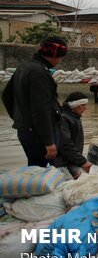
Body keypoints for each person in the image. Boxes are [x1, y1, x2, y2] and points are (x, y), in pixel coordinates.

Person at [2, 36, 68, 166]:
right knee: (42, 172)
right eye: (61, 57)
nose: (60, 61)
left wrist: (20, 119)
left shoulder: (24, 66)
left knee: (34, 168)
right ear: (54, 55)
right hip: (39, 135)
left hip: (26, 131)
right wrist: (48, 142)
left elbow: (6, 96)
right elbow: (41, 109)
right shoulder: (39, 73)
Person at [54, 92, 92, 178]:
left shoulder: (74, 117)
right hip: (62, 162)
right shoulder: (64, 119)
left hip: (72, 161)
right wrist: (82, 161)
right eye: (83, 105)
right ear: (74, 106)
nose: (85, 108)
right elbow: (65, 144)